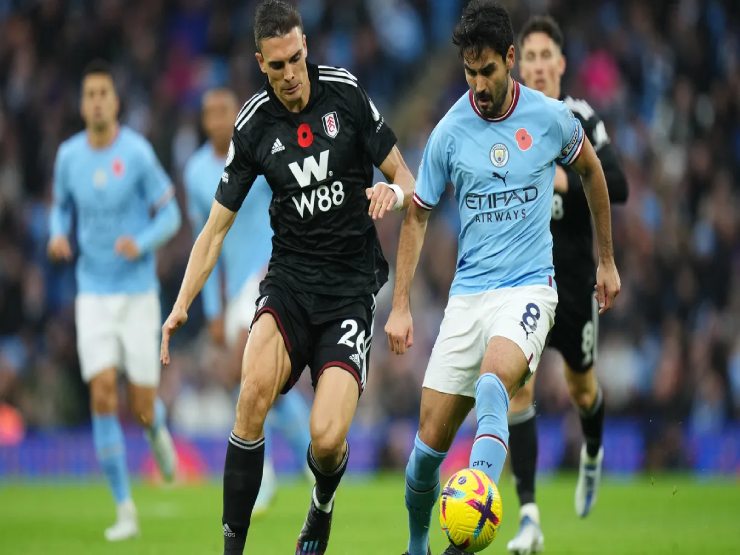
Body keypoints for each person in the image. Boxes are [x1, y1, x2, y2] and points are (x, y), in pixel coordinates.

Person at [159, 2, 415, 554]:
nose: (291, 73)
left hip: (349, 294)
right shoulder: (254, 125)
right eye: (277, 66)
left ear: (306, 49)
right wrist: (181, 304)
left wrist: (388, 193)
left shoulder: (344, 94)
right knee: (250, 395)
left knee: (326, 440)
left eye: (297, 59)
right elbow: (213, 230)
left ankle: (321, 506)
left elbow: (407, 180)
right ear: (261, 64)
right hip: (289, 286)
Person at [383, 2, 621, 554]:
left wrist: (606, 260)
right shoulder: (448, 131)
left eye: (487, 69)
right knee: (424, 456)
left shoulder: (549, 118)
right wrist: (399, 305)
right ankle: (418, 549)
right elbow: (417, 213)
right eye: (469, 72)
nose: (478, 83)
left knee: (495, 386)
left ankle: (467, 538)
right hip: (467, 298)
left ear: (510, 59)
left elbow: (592, 171)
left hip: (530, 290)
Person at [505, 16, 630, 554]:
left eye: (543, 55)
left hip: (576, 285)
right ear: (519, 62)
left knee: (582, 389)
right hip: (525, 280)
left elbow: (618, 185)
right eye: (527, 54)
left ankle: (593, 451)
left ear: (559, 64)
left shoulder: (580, 117)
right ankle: (529, 515)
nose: (535, 64)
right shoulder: (505, 121)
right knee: (519, 389)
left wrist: (563, 176)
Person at [47, 60, 181, 541]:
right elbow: (60, 207)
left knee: (141, 405)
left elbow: (170, 214)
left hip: (137, 293)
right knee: (103, 391)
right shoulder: (69, 157)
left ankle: (157, 430)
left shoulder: (138, 153)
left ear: (115, 102)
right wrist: (58, 233)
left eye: (105, 92)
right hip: (93, 293)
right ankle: (125, 509)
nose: (98, 101)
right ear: (83, 105)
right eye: (90, 94)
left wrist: (140, 242)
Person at [184, 87, 312, 514]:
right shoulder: (195, 173)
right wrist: (212, 310)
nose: (217, 119)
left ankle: (264, 476)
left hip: (271, 268)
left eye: (224, 110)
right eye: (209, 112)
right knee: (264, 383)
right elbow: (208, 241)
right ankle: (311, 459)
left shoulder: (258, 146)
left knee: (247, 368)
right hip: (235, 282)